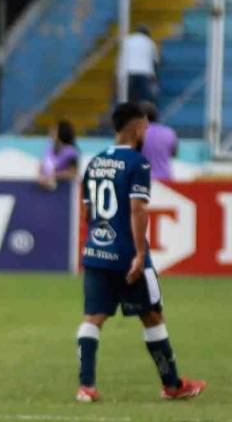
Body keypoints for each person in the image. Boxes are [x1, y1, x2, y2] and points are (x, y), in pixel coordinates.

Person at [76, 102, 205, 403]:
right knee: (152, 315)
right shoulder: (137, 163)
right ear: (136, 128)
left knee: (93, 316)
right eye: (145, 127)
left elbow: (86, 210)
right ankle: (173, 385)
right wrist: (137, 253)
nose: (146, 132)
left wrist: (98, 237)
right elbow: (138, 209)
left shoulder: (94, 162)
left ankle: (86, 387)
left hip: (96, 250)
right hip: (126, 254)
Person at [118, 25, 159, 104]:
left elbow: (122, 58)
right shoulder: (149, 42)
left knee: (129, 98)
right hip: (145, 73)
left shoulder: (127, 40)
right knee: (144, 99)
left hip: (129, 72)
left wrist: (120, 75)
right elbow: (155, 61)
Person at [140, 102, 178, 181]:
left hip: (143, 180)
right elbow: (174, 154)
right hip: (165, 179)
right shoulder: (169, 132)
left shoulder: (138, 133)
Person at [38, 120, 80, 190]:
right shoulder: (49, 149)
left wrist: (53, 176)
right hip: (46, 188)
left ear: (61, 132)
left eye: (54, 129)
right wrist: (41, 175)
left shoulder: (71, 152)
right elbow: (43, 165)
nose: (51, 131)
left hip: (64, 191)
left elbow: (73, 172)